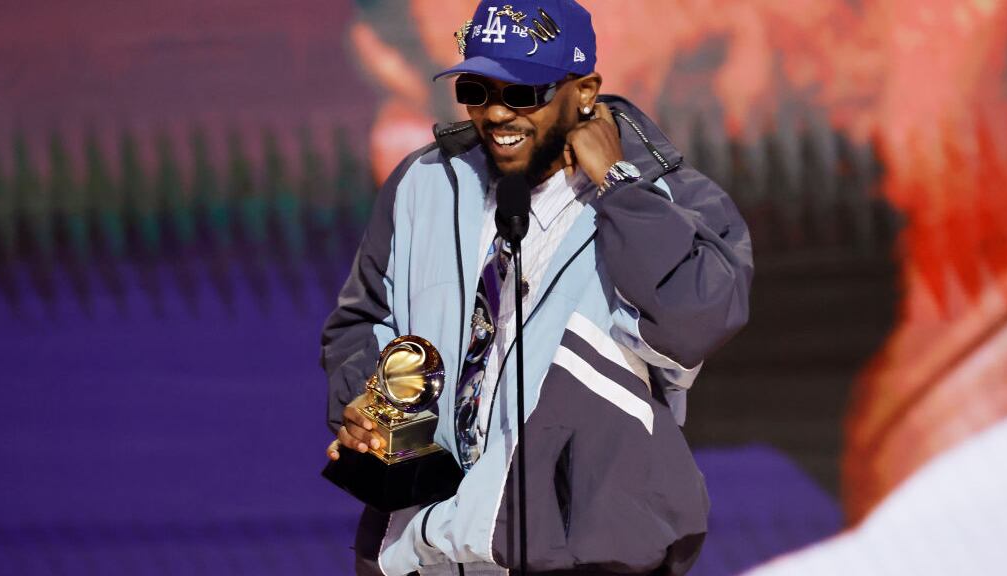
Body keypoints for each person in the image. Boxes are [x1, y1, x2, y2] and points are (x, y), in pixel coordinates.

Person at [321, 1, 753, 574]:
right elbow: (362, 320)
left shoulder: (666, 197)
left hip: (578, 558)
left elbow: (694, 318)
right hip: (422, 552)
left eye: (523, 93)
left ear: (584, 91)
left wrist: (619, 186)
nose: (497, 112)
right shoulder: (423, 183)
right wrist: (366, 401)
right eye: (476, 90)